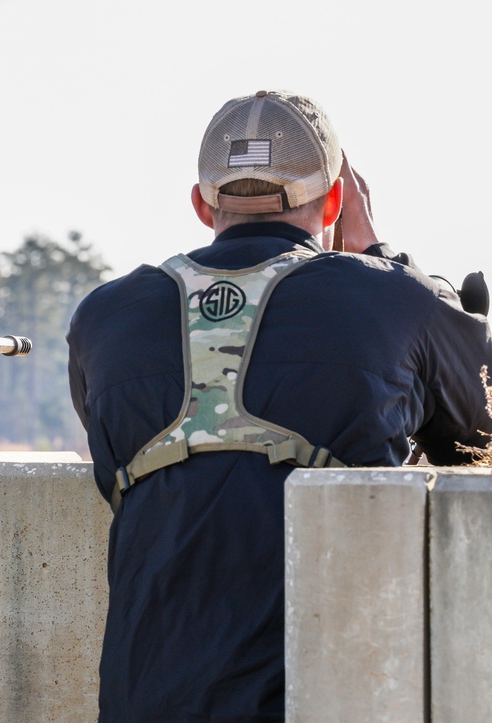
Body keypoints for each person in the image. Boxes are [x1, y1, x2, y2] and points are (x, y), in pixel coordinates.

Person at [66, 90, 492, 720]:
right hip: (330, 693)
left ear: (201, 204)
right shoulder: (397, 302)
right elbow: (476, 444)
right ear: (338, 201)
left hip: (144, 697)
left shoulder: (103, 317)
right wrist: (378, 259)